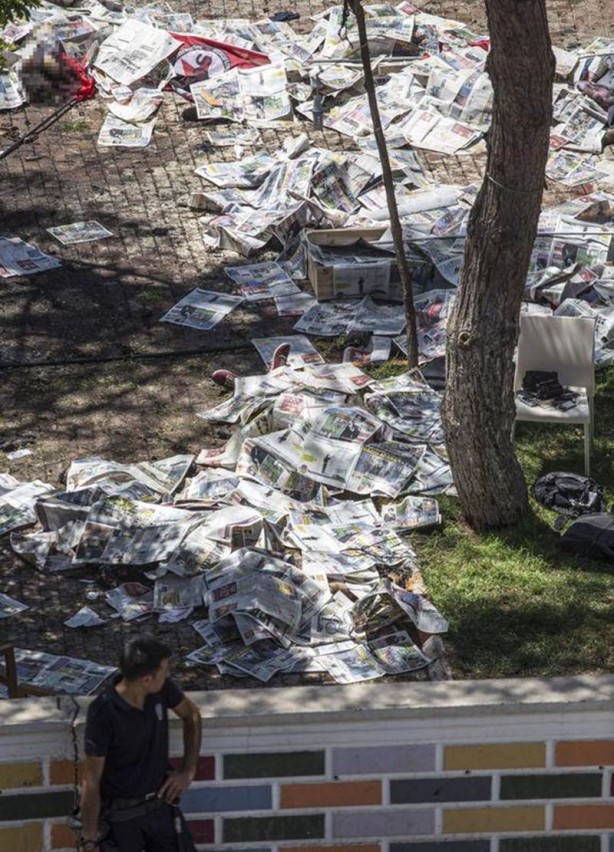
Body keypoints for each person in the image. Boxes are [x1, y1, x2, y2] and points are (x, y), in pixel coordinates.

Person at [79, 636, 202, 852]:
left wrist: (188, 769)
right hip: (121, 818)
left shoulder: (161, 689)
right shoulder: (104, 712)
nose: (169, 674)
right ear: (147, 679)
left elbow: (191, 715)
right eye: (165, 670)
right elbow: (91, 780)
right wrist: (89, 838)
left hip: (161, 806)